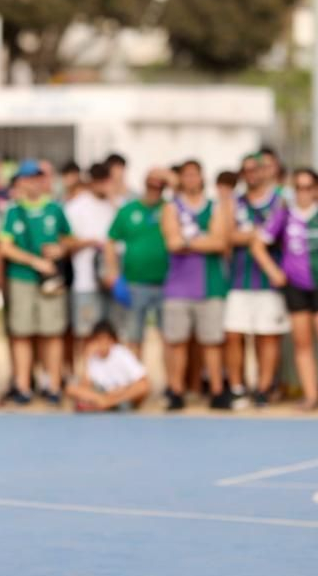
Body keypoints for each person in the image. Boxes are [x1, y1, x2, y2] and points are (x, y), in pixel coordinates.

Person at [251, 168, 318, 412]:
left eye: (308, 187)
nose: (303, 193)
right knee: (302, 345)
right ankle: (311, 396)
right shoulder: (284, 215)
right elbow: (258, 245)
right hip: (295, 287)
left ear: (316, 190)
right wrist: (274, 271)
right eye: (299, 187)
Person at [159, 159, 232, 411]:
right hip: (178, 286)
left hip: (210, 284)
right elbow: (172, 242)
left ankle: (217, 391)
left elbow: (220, 242)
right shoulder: (172, 207)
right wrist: (203, 239)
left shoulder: (215, 206)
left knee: (212, 341)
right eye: (186, 175)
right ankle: (176, 390)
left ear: (202, 177)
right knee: (176, 341)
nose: (191, 179)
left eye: (195, 174)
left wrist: (188, 241)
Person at [0, 160, 73, 405]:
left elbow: (69, 239)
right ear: (20, 181)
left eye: (38, 178)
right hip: (22, 278)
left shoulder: (55, 208)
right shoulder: (13, 211)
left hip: (50, 280)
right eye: (29, 178)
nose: (34, 183)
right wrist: (34, 261)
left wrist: (60, 249)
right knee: (22, 332)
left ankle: (53, 384)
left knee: (52, 332)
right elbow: (5, 247)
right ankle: (23, 385)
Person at [225, 153, 288, 407]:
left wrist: (249, 236)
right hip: (239, 278)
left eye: (256, 169)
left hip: (269, 280)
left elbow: (283, 235)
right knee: (234, 334)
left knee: (267, 335)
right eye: (247, 170)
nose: (252, 174)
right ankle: (237, 387)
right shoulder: (234, 202)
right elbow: (227, 235)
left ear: (265, 171)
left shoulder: (280, 200)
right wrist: (257, 234)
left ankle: (264, 387)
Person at [103, 168, 170, 352]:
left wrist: (167, 176)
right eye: (151, 185)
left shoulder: (169, 208)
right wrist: (113, 271)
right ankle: (135, 370)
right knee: (133, 335)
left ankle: (169, 373)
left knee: (169, 337)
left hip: (166, 282)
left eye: (159, 186)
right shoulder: (128, 210)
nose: (154, 190)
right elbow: (110, 241)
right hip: (135, 282)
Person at [64, 162, 121, 370]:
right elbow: (65, 241)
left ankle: (110, 376)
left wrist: (113, 199)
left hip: (112, 280)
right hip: (85, 281)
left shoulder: (116, 206)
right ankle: (84, 374)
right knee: (85, 332)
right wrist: (90, 242)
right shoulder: (76, 207)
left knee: (113, 332)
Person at [67, 322, 149, 413]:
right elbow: (85, 386)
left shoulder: (121, 353)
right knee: (71, 388)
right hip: (102, 394)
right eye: (98, 340)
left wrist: (116, 394)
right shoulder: (92, 357)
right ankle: (104, 403)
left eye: (104, 340)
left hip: (122, 394)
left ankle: (108, 403)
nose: (101, 344)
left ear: (111, 340)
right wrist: (86, 359)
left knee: (142, 386)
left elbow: (143, 382)